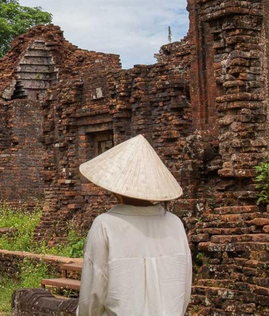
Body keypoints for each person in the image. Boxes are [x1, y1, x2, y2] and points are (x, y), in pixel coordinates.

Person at [76, 135, 192, 316]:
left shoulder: (105, 225)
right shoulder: (174, 224)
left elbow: (93, 296)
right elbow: (184, 290)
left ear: (116, 189)